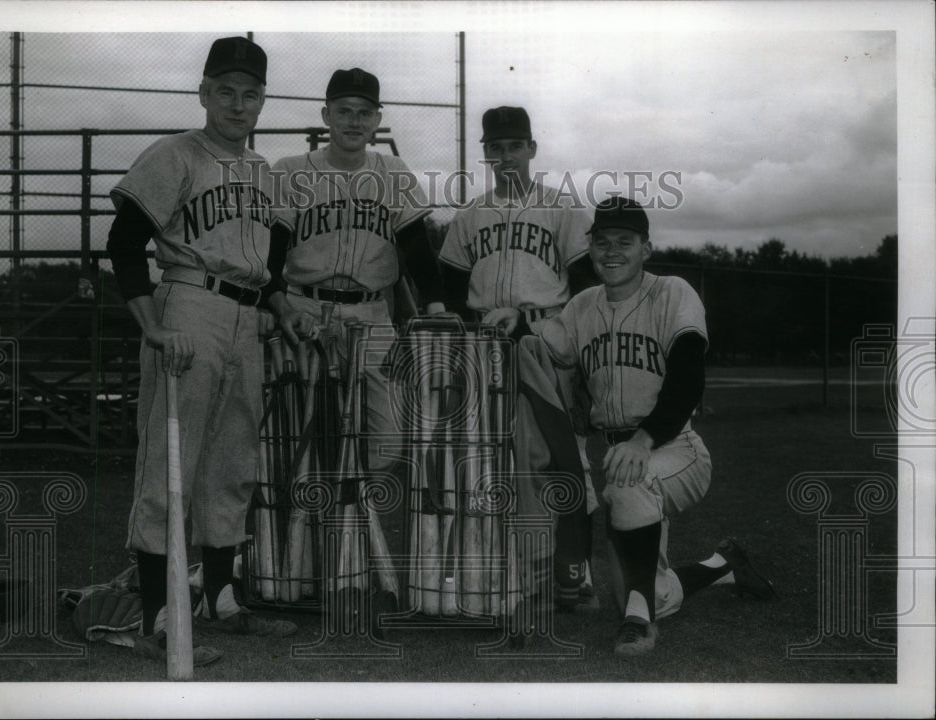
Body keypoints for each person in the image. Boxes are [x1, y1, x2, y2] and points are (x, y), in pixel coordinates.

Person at [499, 196, 776, 656]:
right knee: (650, 593)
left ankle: (640, 628)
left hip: (675, 447)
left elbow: (689, 378)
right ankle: (724, 564)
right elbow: (547, 347)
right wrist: (515, 326)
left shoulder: (673, 292)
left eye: (624, 242)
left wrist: (644, 441)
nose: (612, 251)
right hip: (618, 453)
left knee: (629, 497)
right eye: (602, 242)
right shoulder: (583, 305)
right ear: (590, 250)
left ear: (646, 248)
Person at [106, 36, 297, 666]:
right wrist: (152, 327)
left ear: (262, 101)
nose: (238, 105)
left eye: (251, 94)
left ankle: (219, 599)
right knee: (172, 459)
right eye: (226, 92)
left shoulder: (264, 172)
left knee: (233, 459)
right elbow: (125, 243)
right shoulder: (174, 154)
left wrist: (285, 307)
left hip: (247, 317)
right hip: (187, 306)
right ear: (204, 94)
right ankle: (158, 615)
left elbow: (266, 267)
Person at [437, 105, 598, 609]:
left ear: (532, 148)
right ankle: (520, 573)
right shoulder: (471, 216)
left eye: (515, 145)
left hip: (544, 340)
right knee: (497, 463)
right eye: (496, 147)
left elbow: (587, 289)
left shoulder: (563, 209)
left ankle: (578, 571)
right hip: (486, 348)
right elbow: (446, 286)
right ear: (485, 152)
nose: (506, 156)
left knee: (561, 457)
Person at [265, 67, 445, 471]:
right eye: (344, 111)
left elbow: (417, 246)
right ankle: (314, 525)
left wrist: (434, 306)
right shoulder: (290, 170)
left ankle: (356, 519)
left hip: (372, 314)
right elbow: (272, 251)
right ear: (326, 115)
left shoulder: (393, 172)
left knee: (389, 441)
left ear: (377, 120)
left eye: (364, 112)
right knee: (303, 438)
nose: (354, 121)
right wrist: (276, 306)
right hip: (306, 310)